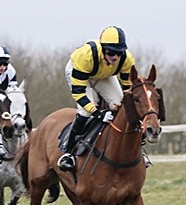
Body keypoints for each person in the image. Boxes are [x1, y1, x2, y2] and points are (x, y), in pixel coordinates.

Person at [57, 26, 136, 172]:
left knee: (120, 105)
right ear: (103, 48)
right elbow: (79, 93)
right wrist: (97, 113)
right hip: (79, 72)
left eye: (119, 53)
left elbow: (127, 89)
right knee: (86, 111)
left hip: (104, 75)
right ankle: (68, 152)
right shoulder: (85, 56)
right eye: (111, 52)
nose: (115, 57)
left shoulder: (127, 60)